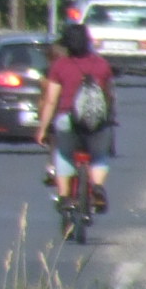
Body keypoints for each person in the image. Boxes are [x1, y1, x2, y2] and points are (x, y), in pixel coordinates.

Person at [35, 21, 115, 217]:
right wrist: (108, 118)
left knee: (63, 154)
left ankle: (64, 197)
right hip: (96, 123)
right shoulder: (102, 65)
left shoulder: (60, 66)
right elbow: (109, 96)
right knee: (99, 155)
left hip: (68, 120)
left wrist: (43, 129)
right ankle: (97, 187)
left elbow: (51, 101)